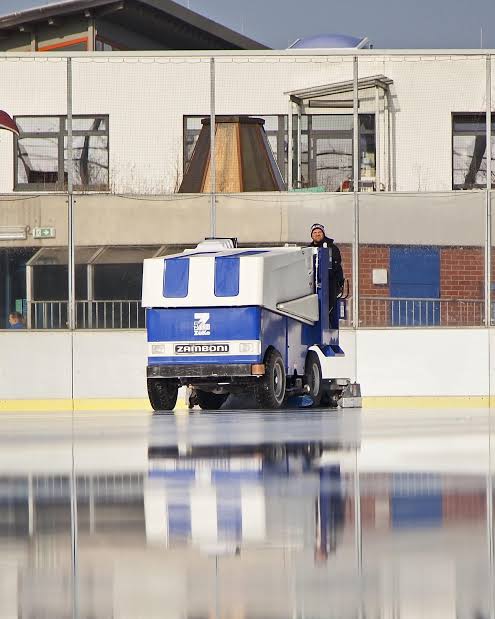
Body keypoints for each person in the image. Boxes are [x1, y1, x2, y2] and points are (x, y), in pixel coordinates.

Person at [309, 223, 345, 316]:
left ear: (323, 233)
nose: (317, 234)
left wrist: (337, 284)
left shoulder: (332, 248)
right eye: (315, 232)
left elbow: (335, 266)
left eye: (319, 232)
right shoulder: (309, 249)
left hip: (330, 286)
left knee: (328, 311)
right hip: (312, 285)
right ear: (311, 235)